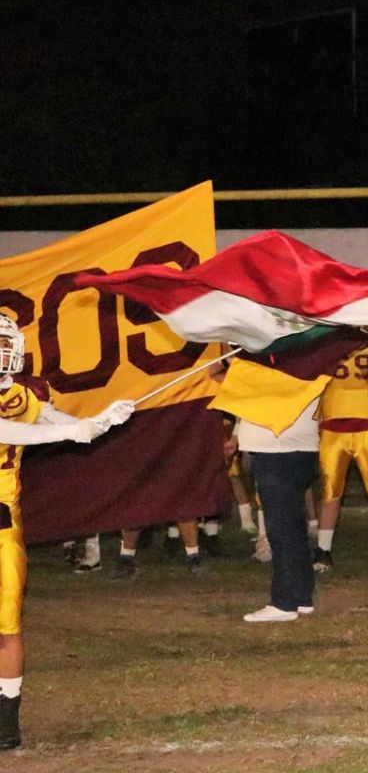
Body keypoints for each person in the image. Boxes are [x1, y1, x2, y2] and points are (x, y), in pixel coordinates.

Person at [0, 315, 134, 749]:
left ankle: (6, 720)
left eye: (6, 342)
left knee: (6, 624)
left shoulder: (20, 394)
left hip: (2, 518)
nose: (4, 351)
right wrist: (74, 431)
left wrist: (98, 421)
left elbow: (50, 418)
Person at [312, 340, 368, 573]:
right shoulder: (326, 343)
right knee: (330, 491)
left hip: (367, 425)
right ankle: (323, 549)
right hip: (337, 426)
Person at [239, 398, 320, 623]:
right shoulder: (297, 365)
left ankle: (284, 601)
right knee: (292, 524)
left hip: (279, 447)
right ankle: (301, 594)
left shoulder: (280, 367)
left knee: (281, 528)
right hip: (293, 445)